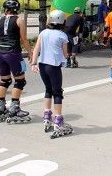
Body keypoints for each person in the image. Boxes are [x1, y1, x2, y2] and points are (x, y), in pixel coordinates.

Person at [31, 10, 73, 138]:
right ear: (62, 22)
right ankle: (58, 120)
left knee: (48, 90)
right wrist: (65, 58)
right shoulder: (62, 35)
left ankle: (47, 116)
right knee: (57, 92)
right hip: (54, 66)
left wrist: (33, 63)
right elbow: (65, 54)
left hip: (42, 65)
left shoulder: (43, 33)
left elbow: (36, 48)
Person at [0, 0, 33, 123]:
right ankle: (14, 109)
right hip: (13, 53)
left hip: (1, 53)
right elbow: (24, 39)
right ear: (17, 9)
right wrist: (30, 53)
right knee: (20, 81)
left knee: (5, 80)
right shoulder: (19, 20)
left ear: (5, 9)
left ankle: (0, 108)